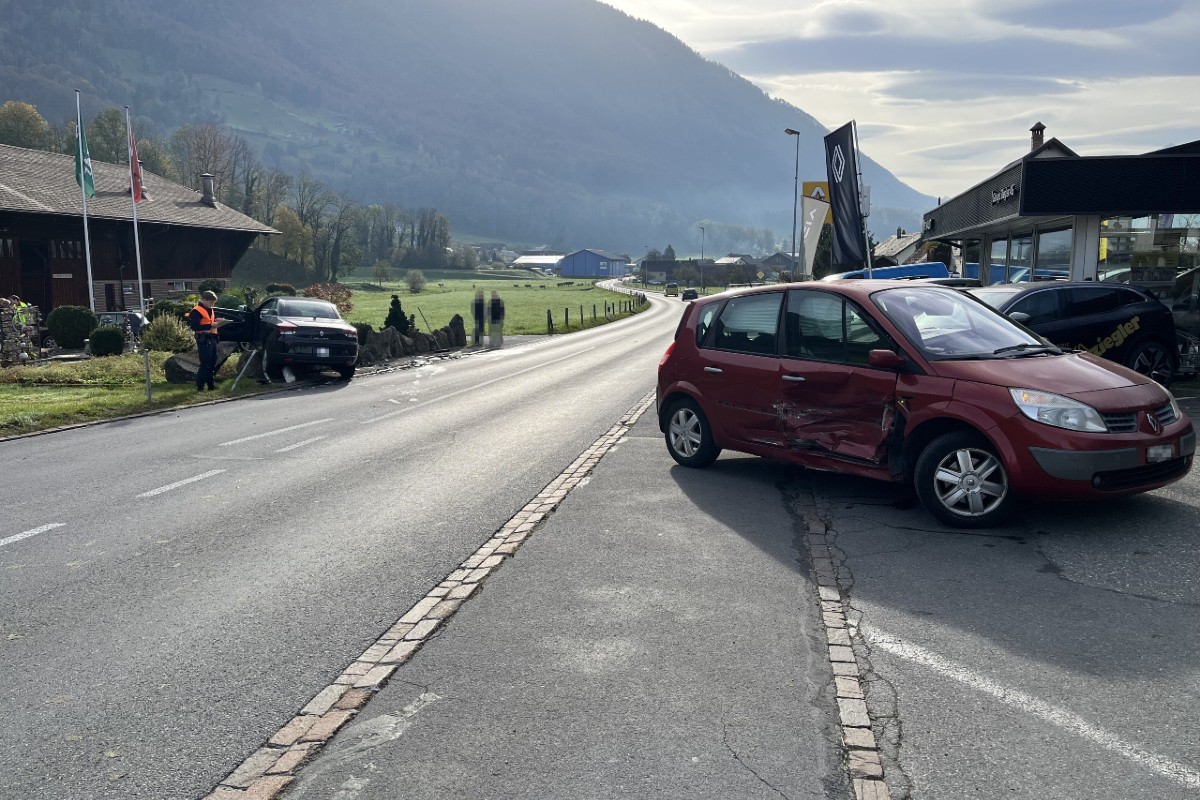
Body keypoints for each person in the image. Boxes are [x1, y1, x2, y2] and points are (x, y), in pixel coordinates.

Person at [188, 290, 223, 391]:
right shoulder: (196, 311)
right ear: (204, 300)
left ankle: (211, 385)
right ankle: (200, 386)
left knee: (212, 363)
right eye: (211, 302)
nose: (212, 304)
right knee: (205, 363)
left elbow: (209, 321)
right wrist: (211, 325)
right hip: (203, 339)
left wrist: (217, 321)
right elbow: (195, 326)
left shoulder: (210, 309)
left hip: (212, 338)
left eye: (213, 303)